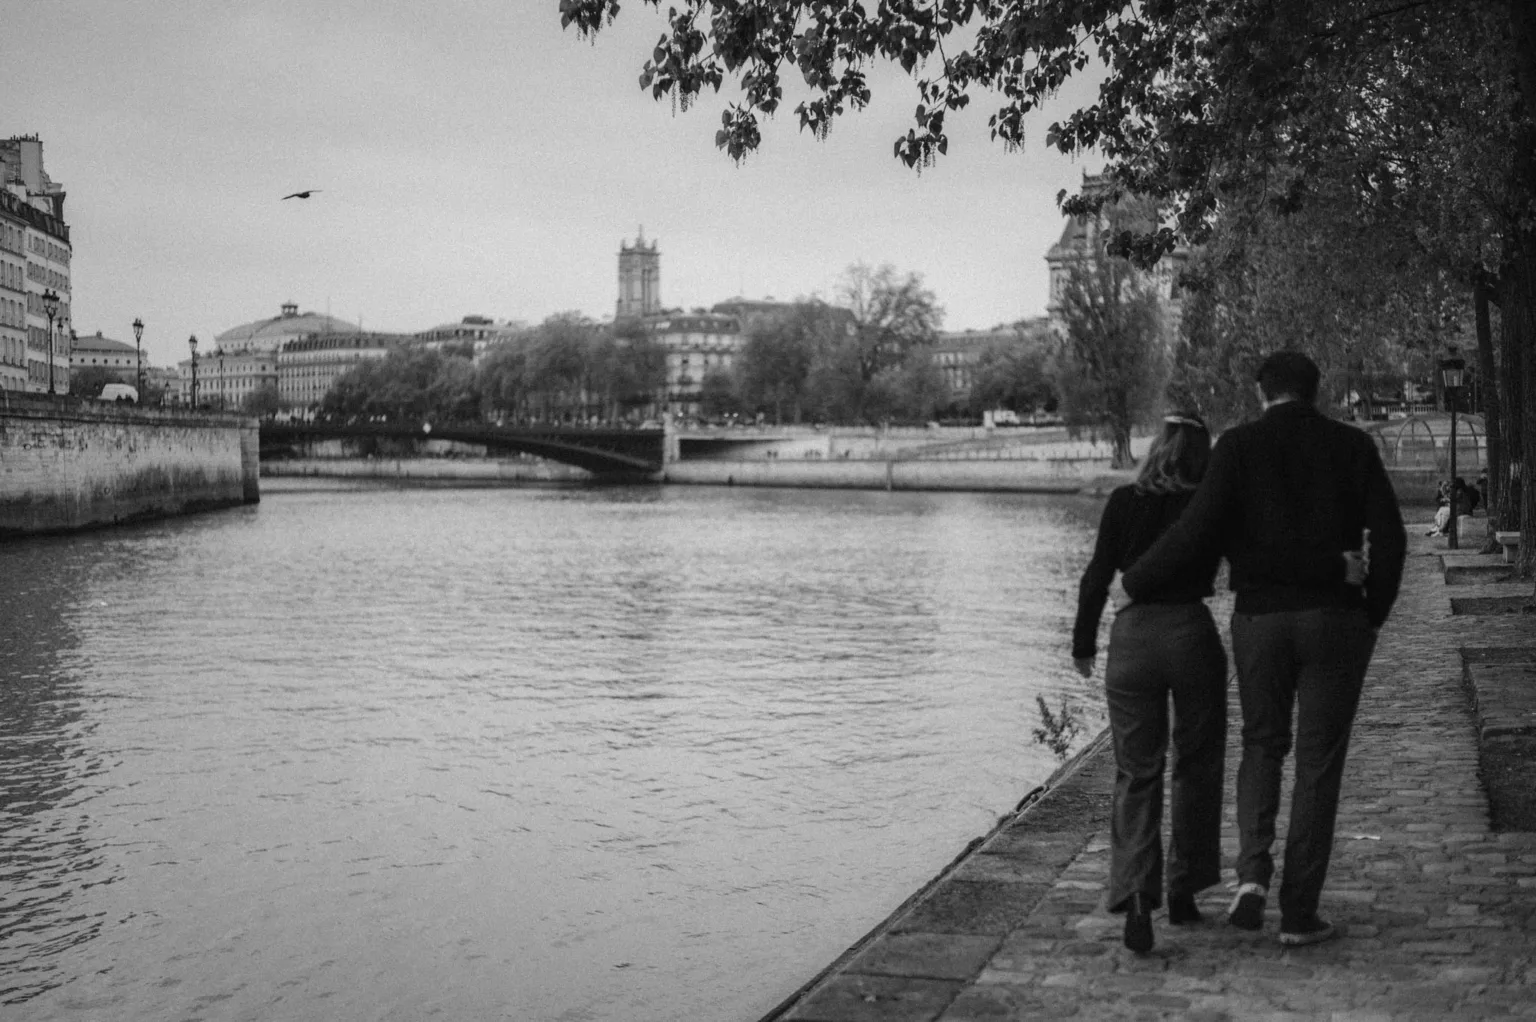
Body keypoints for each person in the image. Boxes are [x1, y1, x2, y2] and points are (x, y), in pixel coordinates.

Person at [1121, 351, 1406, 947]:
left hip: (1259, 621)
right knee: (1319, 764)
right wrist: (1371, 612)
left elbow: (1196, 530)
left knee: (1262, 745)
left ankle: (1252, 877)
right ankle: (1300, 912)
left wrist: (1138, 579)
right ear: (1315, 390)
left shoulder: (1238, 449)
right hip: (1335, 620)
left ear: (1261, 393)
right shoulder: (1353, 447)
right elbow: (1393, 536)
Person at [1072, 412, 1226, 954]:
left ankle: (1138, 896)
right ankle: (1185, 887)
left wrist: (1084, 643)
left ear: (1157, 446)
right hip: (1190, 633)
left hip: (1132, 641)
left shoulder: (1122, 502)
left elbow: (1097, 574)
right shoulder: (1208, 504)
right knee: (1197, 762)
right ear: (1202, 454)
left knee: (1136, 772)